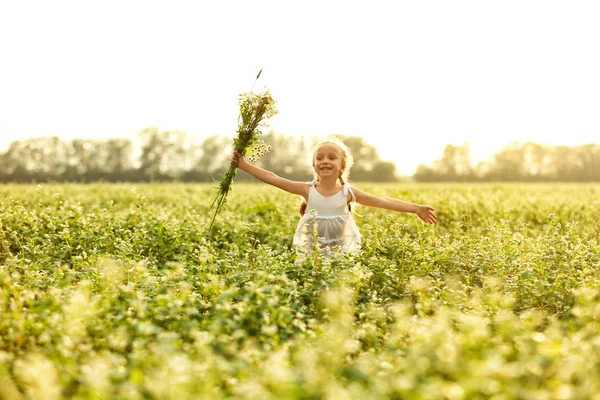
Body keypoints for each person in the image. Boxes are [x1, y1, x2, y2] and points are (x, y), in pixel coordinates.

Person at [231, 137, 437, 253]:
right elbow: (273, 178)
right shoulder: (307, 190)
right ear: (314, 166)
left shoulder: (348, 193)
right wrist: (244, 165)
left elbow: (382, 201)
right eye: (319, 158)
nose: (325, 161)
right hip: (312, 252)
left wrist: (415, 208)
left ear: (342, 166)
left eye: (331, 157)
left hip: (340, 252)